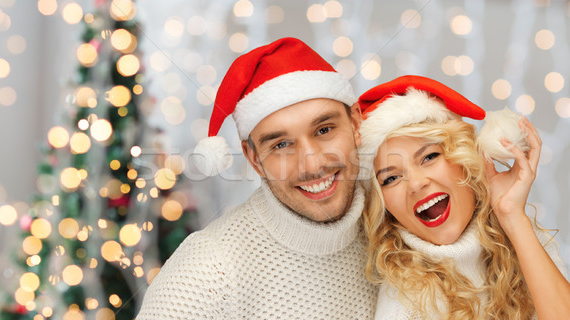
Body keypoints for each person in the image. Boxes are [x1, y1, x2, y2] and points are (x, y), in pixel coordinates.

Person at [136, 37, 378, 319]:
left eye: (324, 130)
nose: (312, 163)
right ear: (254, 159)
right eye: (281, 145)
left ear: (356, 123)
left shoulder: (395, 229)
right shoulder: (207, 271)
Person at [356, 75, 570, 319]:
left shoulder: (523, 237)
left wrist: (512, 216)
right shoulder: (402, 306)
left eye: (429, 157)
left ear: (464, 159)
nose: (416, 184)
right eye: (391, 179)